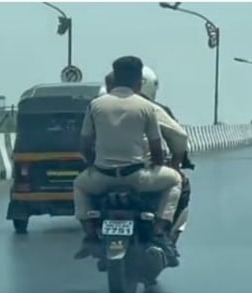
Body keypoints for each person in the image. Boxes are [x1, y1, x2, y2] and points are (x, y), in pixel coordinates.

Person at [73, 56, 183, 266]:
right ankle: (160, 230)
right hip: (136, 177)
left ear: (113, 79)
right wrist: (157, 166)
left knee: (79, 184)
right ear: (138, 81)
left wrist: (91, 165)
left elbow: (85, 144)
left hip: (102, 177)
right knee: (175, 180)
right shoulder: (146, 107)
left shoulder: (95, 105)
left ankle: (89, 234)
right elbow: (155, 146)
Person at [106, 68, 194, 244]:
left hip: (106, 173)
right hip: (141, 172)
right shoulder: (155, 109)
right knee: (180, 184)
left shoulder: (100, 106)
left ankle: (91, 235)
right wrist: (177, 162)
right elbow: (178, 137)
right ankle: (163, 232)